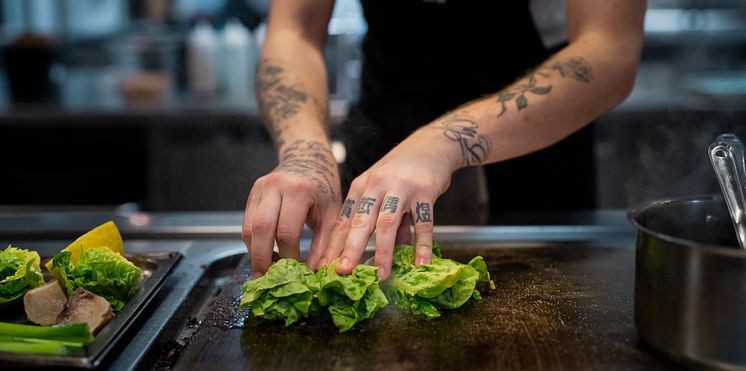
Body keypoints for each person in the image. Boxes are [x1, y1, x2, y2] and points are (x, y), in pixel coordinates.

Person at [242, 0, 647, 279]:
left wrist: (442, 143)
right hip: (382, 147)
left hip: (534, 150)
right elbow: (294, 32)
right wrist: (306, 154)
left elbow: (608, 49)